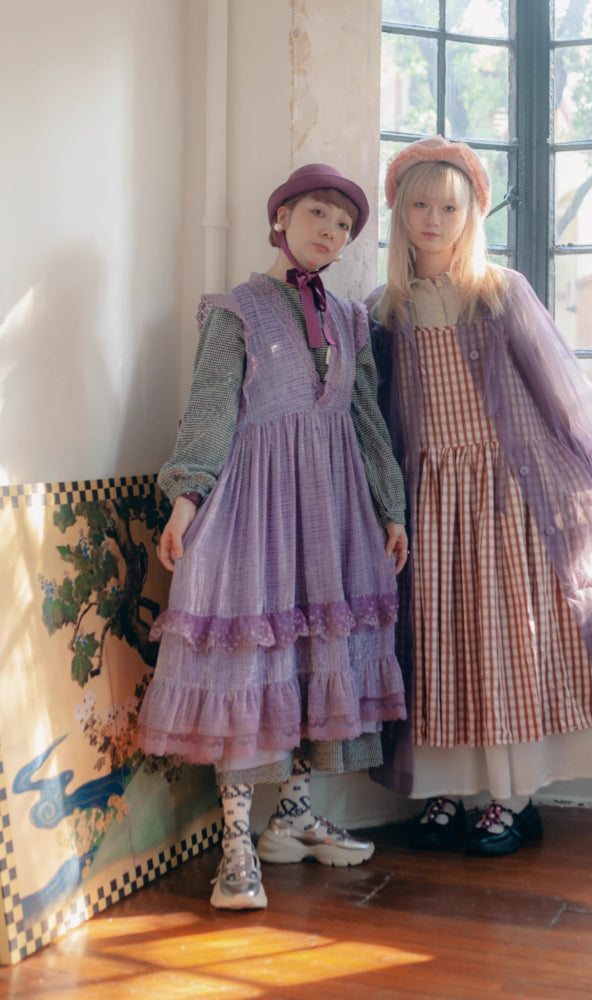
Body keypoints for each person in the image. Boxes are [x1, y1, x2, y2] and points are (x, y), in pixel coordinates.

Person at [367, 136, 592, 857]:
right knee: (441, 642)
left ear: (472, 214)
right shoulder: (385, 310)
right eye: (419, 205)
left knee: (509, 640)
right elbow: (375, 413)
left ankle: (513, 794)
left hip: (507, 493)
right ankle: (443, 785)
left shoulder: (499, 293)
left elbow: (560, 387)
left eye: (449, 207)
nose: (433, 220)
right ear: (399, 212)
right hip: (430, 498)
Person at [138, 163, 409, 909]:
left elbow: (367, 421)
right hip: (255, 513)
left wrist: (391, 509)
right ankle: (236, 846)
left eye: (345, 225)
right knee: (249, 664)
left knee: (314, 656)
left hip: (333, 514)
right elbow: (209, 411)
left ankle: (290, 818)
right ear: (281, 217)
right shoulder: (237, 310)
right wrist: (186, 501)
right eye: (319, 213)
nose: (331, 231)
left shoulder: (350, 319)